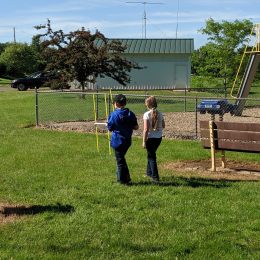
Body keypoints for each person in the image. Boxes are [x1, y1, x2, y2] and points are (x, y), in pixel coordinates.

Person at [107, 94, 139, 185]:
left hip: (117, 142)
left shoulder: (113, 114)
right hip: (127, 141)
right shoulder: (130, 113)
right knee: (121, 159)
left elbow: (110, 127)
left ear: (116, 103)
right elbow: (136, 127)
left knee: (120, 161)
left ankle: (122, 181)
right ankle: (125, 178)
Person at [142, 96, 165, 182]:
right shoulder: (160, 113)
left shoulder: (146, 114)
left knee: (152, 157)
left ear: (148, 105)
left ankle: (155, 177)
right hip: (158, 138)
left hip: (150, 139)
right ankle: (149, 173)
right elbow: (163, 126)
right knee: (150, 155)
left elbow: (145, 130)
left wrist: (144, 141)